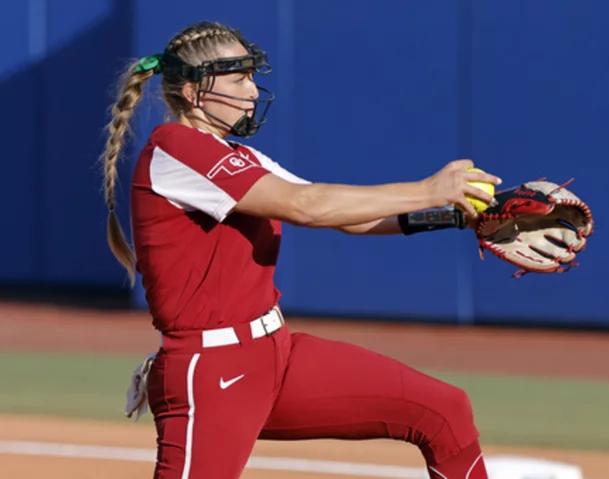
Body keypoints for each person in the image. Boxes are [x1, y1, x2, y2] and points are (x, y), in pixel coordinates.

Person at [102, 20, 502, 479]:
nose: (253, 91)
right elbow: (306, 206)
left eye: (252, 77)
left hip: (276, 357)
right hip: (212, 373)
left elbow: (347, 216)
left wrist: (453, 215)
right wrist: (429, 189)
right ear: (193, 92)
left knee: (444, 411)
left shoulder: (235, 157)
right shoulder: (177, 148)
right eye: (239, 78)